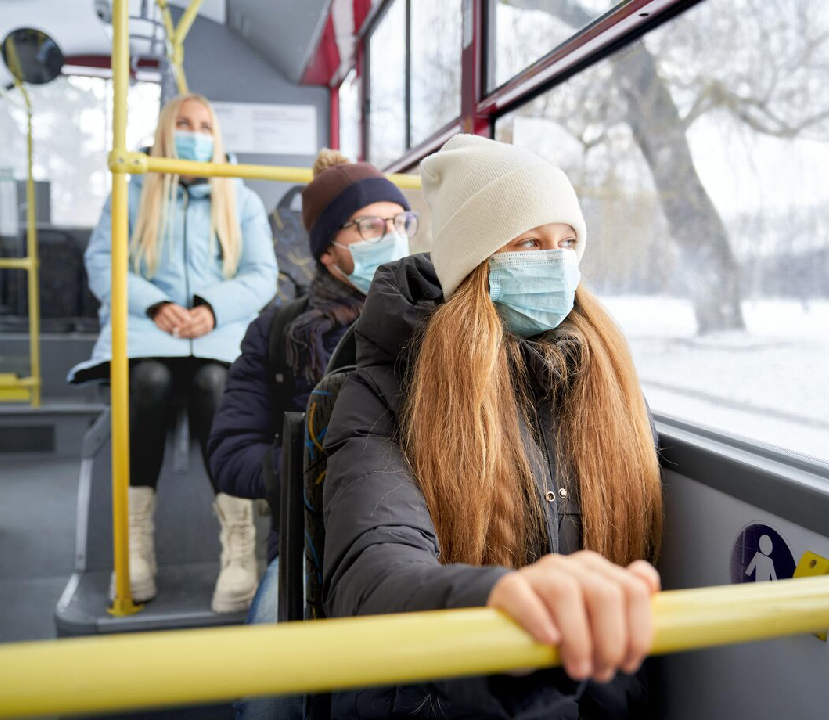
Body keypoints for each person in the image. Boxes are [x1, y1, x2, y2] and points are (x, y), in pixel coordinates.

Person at [321, 134, 664, 719]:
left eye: (568, 242)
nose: (556, 261)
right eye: (529, 242)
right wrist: (495, 603)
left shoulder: (604, 384)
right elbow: (374, 566)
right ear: (475, 264)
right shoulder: (381, 392)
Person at [207, 150, 416, 720]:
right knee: (270, 693)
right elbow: (229, 454)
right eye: (371, 226)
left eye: (400, 223)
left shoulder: (438, 319)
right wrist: (314, 470)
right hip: (309, 542)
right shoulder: (280, 333)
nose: (391, 237)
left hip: (423, 536)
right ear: (329, 250)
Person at [68, 93, 278, 613]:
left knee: (214, 385)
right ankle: (135, 544)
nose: (194, 134)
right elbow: (105, 263)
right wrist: (156, 304)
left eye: (205, 125)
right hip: (149, 331)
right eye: (183, 124)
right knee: (150, 383)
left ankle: (238, 545)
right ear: (164, 132)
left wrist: (211, 309)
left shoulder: (242, 200)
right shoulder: (133, 191)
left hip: (217, 332)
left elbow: (260, 276)